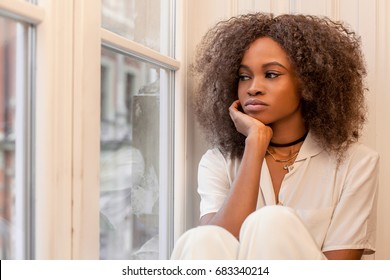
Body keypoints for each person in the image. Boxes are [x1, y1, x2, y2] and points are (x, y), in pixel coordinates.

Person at [171, 13, 379, 260]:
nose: (253, 87)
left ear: (309, 83)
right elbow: (213, 248)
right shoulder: (217, 161)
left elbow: (341, 270)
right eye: (244, 76)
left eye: (271, 74)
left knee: (272, 222)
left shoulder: (356, 163)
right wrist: (255, 144)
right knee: (199, 237)